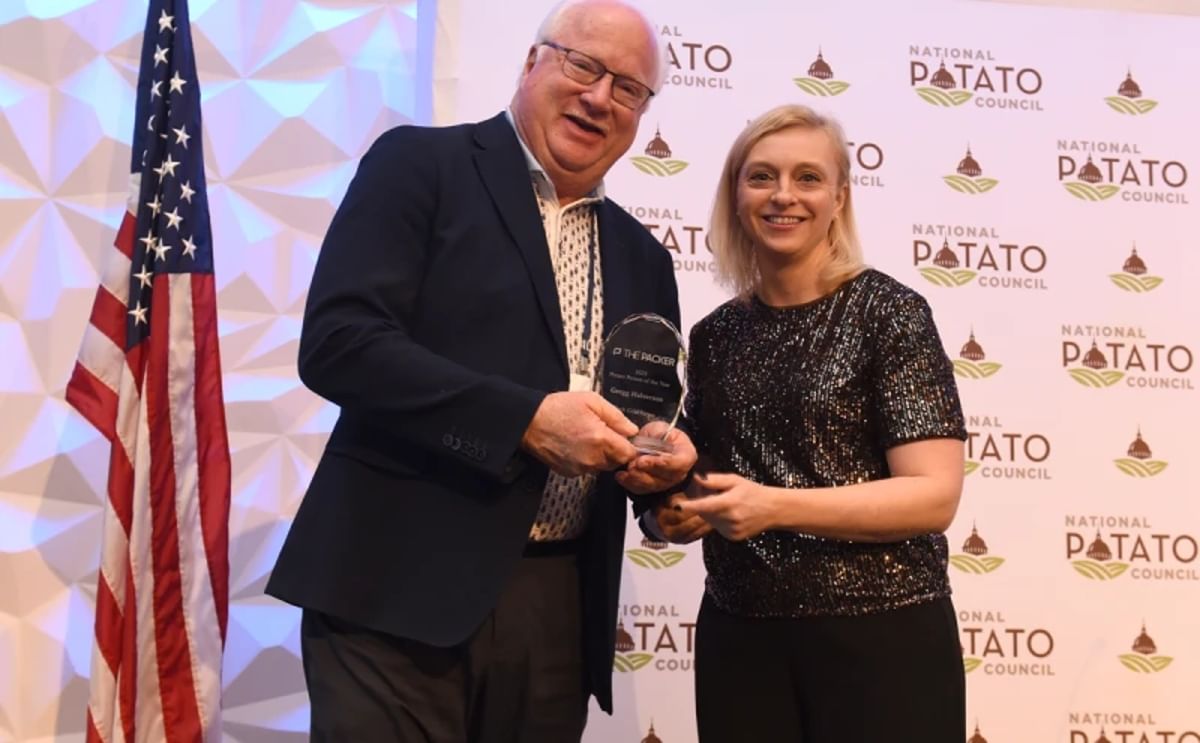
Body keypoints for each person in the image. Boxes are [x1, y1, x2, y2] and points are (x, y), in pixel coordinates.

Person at [265, 1, 696, 741]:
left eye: (628, 88)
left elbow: (645, 423)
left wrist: (667, 482)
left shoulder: (644, 258)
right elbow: (340, 341)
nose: (600, 97)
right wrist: (524, 421)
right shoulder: (419, 164)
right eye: (583, 65)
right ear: (532, 63)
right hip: (393, 591)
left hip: (557, 615)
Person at [651, 104, 968, 742]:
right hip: (741, 642)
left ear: (839, 197)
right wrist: (674, 507)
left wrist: (772, 507)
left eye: (807, 178)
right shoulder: (716, 336)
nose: (783, 196)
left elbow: (934, 495)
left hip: (883, 638)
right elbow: (706, 481)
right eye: (761, 176)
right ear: (736, 194)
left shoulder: (891, 313)